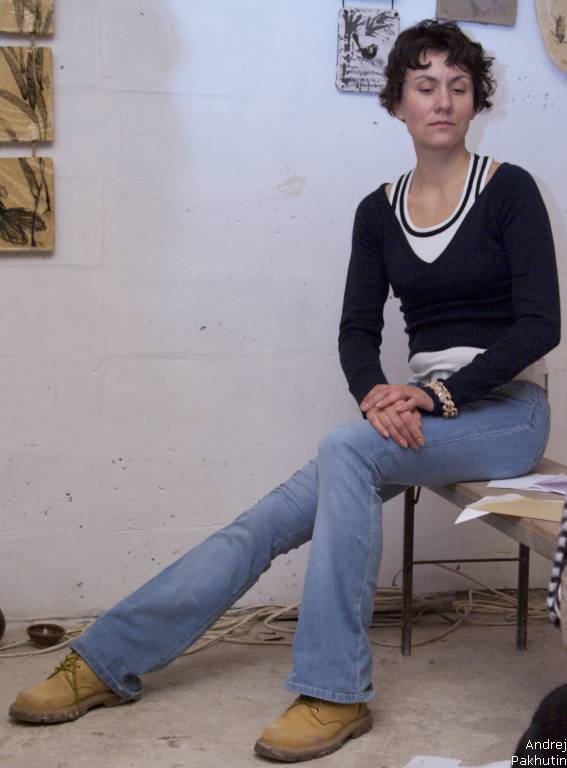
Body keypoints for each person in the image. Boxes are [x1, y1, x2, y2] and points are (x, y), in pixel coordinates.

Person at [9, 19, 561, 763]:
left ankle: (336, 690)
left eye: (458, 87)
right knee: (267, 520)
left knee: (347, 451)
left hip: (505, 413)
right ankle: (105, 660)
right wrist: (377, 395)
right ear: (397, 103)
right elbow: (355, 332)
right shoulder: (378, 211)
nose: (442, 100)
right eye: (425, 85)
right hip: (418, 412)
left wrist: (438, 397)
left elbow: (540, 324)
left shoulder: (509, 190)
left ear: (475, 101)